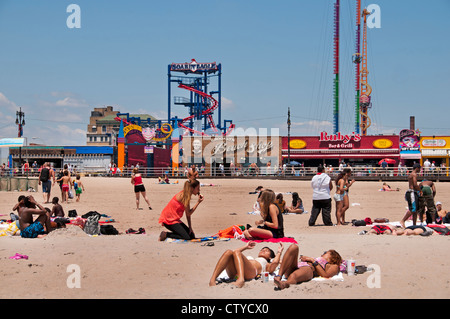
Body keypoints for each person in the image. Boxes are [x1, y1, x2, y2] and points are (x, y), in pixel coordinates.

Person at [209, 241, 283, 288]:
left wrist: (279, 252)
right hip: (235, 273)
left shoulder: (267, 264)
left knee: (237, 252)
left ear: (270, 257)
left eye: (266, 251)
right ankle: (212, 280)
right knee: (228, 252)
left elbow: (275, 263)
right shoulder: (254, 258)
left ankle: (241, 279)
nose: (263, 250)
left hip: (251, 272)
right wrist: (245, 247)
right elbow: (234, 252)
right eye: (262, 249)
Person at [273, 244, 342, 290]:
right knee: (294, 247)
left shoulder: (333, 265)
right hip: (298, 266)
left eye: (326, 252)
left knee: (293, 276)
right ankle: (279, 275)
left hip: (309, 268)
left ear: (332, 257)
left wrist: (312, 260)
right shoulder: (318, 259)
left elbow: (325, 275)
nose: (323, 253)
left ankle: (285, 284)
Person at [400, 163, 422, 228]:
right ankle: (402, 220)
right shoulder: (414, 174)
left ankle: (414, 225)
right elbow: (415, 185)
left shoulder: (411, 174)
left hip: (411, 192)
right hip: (412, 192)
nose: (420, 170)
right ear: (417, 168)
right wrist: (420, 190)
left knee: (415, 210)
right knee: (413, 209)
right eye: (419, 168)